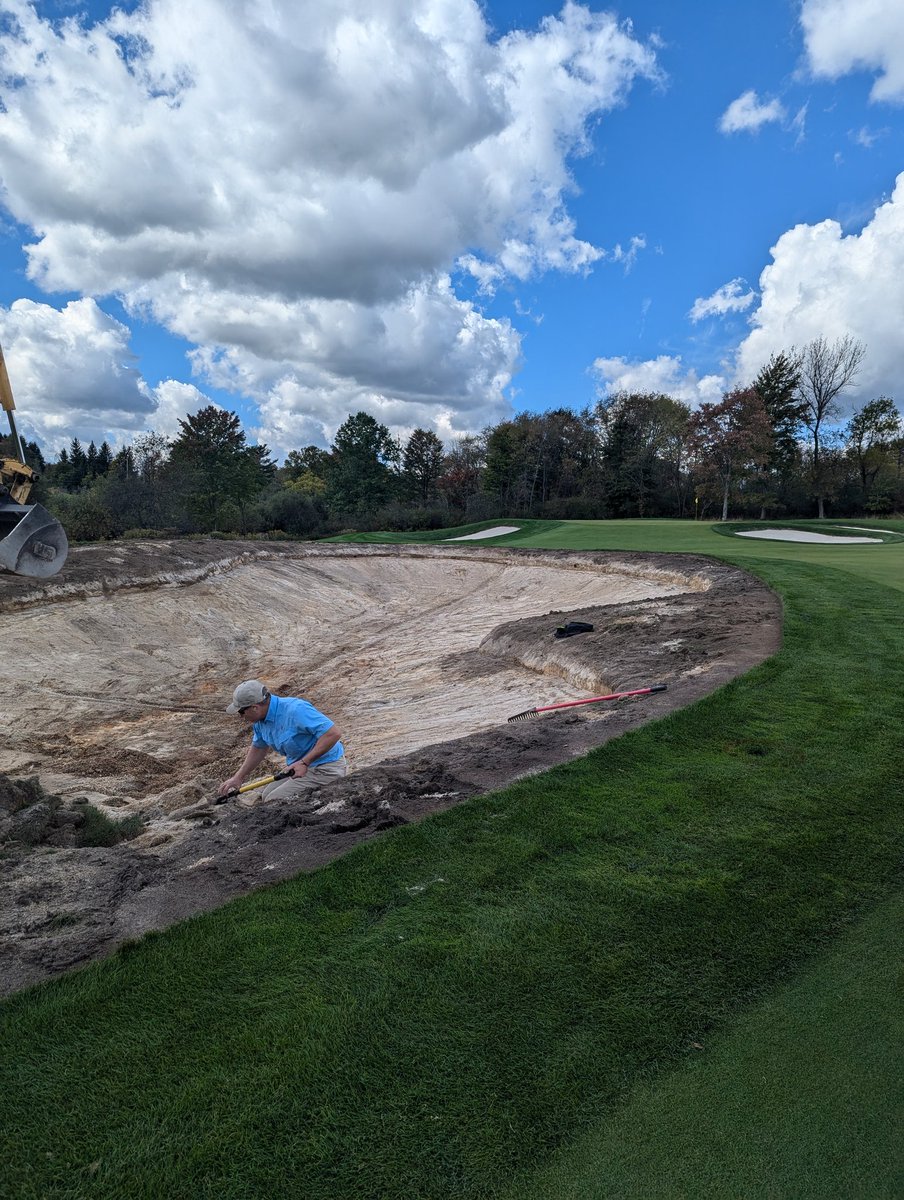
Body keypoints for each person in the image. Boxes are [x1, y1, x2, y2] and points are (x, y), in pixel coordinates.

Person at [218, 679, 347, 807]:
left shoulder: (296, 710)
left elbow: (333, 733)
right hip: (298, 768)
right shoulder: (260, 721)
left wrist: (304, 762)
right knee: (266, 795)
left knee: (273, 801)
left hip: (325, 768)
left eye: (241, 712)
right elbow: (258, 748)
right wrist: (238, 777)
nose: (241, 716)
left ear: (255, 707)